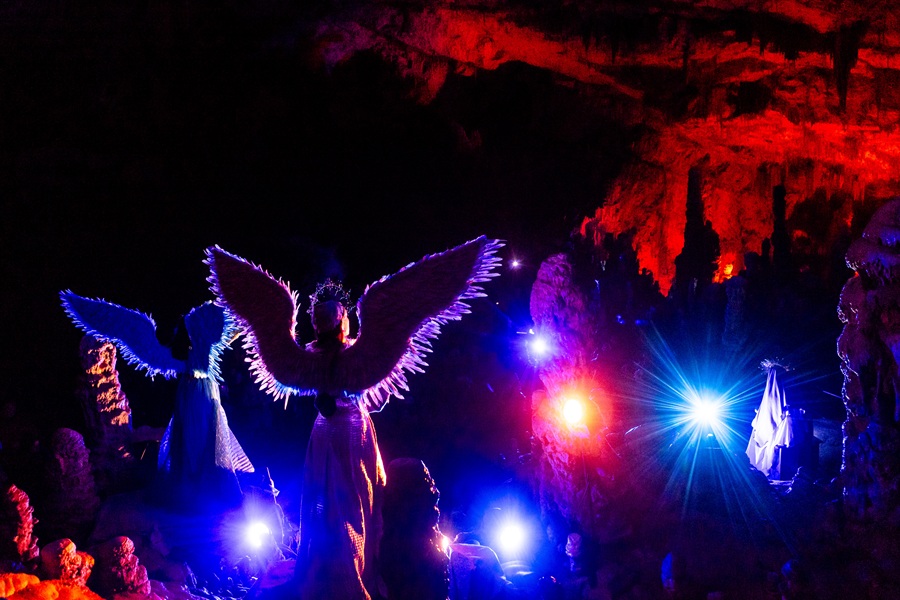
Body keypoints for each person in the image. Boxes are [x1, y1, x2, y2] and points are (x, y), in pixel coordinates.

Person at [205, 236, 503, 600]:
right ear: (341, 320)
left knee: (331, 503)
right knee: (354, 504)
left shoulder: (311, 359)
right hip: (352, 431)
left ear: (320, 322)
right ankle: (353, 572)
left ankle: (334, 566)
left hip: (327, 431)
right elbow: (370, 390)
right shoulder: (347, 357)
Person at [59, 292, 255, 514]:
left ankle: (203, 485)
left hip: (203, 390)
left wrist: (250, 318)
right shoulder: (191, 343)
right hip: (194, 392)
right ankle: (192, 486)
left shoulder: (208, 340)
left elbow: (233, 330)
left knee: (211, 433)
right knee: (193, 436)